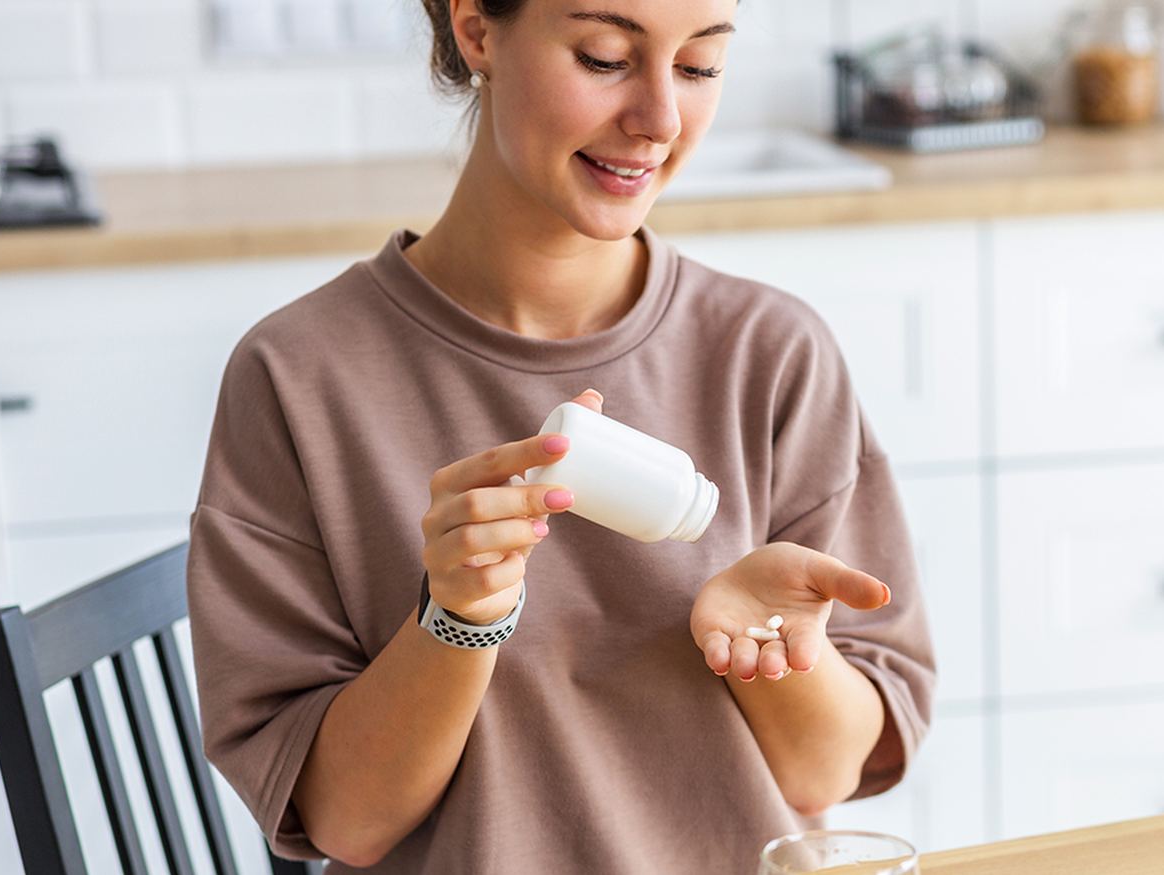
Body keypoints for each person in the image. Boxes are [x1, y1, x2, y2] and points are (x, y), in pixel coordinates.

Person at [186, 0, 935, 872]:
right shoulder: (298, 376)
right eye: (605, 57)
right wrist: (457, 619)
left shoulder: (770, 354)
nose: (660, 120)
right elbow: (346, 821)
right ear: (476, 29)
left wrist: (769, 647)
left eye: (698, 68)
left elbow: (827, 773)